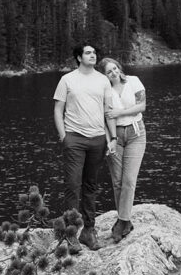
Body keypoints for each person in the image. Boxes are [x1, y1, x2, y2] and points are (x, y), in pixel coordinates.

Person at [53, 44, 117, 251]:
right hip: (75, 139)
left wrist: (112, 137)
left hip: (97, 139)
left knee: (90, 186)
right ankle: (70, 234)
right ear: (79, 58)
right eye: (88, 53)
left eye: (94, 53)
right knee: (72, 185)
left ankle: (89, 232)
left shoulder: (103, 80)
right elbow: (58, 109)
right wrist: (64, 137)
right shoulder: (67, 80)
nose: (93, 55)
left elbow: (108, 111)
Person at [100, 57, 147, 243]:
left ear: (119, 68)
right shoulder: (105, 91)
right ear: (105, 76)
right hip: (115, 136)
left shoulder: (133, 81)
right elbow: (105, 118)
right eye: (108, 72)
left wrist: (119, 113)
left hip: (136, 133)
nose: (113, 73)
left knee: (129, 180)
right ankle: (126, 222)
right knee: (117, 181)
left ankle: (122, 220)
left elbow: (141, 106)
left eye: (115, 68)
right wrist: (110, 140)